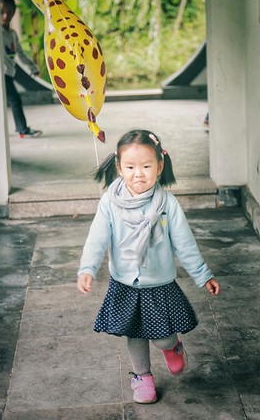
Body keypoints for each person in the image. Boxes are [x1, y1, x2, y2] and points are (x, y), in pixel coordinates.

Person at [77, 129, 220, 404]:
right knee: (135, 335)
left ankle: (173, 347)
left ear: (160, 166)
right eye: (130, 167)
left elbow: (185, 244)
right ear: (119, 167)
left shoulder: (167, 204)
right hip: (125, 284)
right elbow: (97, 238)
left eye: (146, 166)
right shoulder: (110, 202)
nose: (138, 174)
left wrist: (203, 275)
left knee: (162, 337)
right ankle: (142, 378)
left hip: (160, 285)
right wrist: (88, 268)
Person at [0, 0, 42, 138]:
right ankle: (23, 129)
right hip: (1, 75)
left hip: (9, 74)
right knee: (15, 101)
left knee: (11, 101)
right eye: (1, 12)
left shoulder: (11, 34)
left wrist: (32, 67)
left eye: (9, 12)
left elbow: (20, 54)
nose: (5, 16)